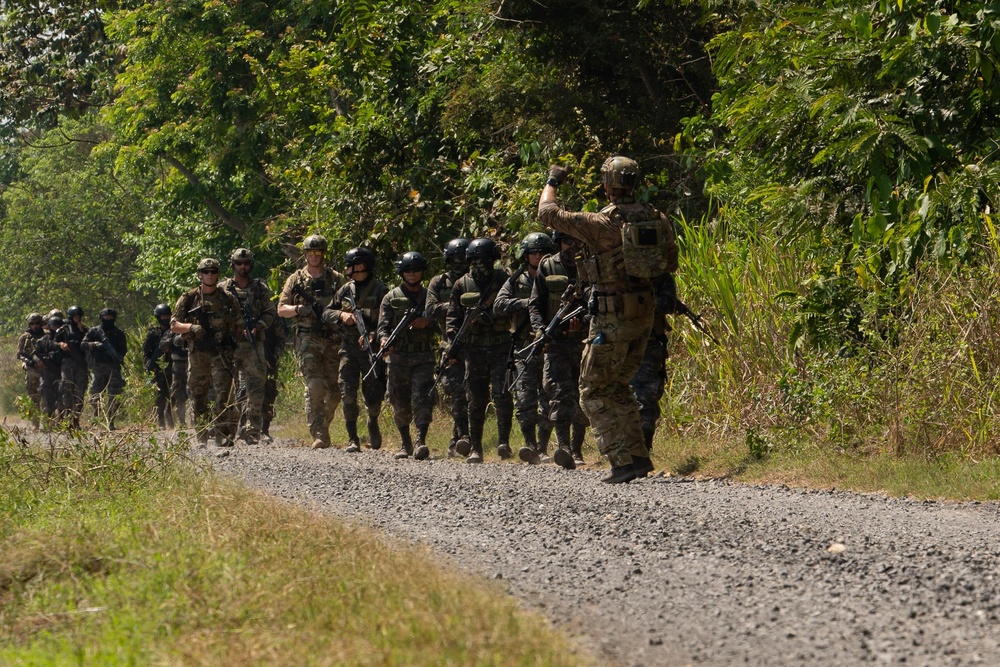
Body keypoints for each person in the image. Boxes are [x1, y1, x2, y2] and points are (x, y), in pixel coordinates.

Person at [538, 156, 678, 483]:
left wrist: (554, 179)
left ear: (605, 186)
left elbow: (547, 213)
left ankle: (620, 462)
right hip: (644, 315)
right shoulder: (657, 218)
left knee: (591, 391)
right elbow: (669, 262)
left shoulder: (600, 224)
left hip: (611, 316)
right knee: (618, 387)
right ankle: (639, 457)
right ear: (635, 183)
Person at [276, 234, 346, 449]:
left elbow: (349, 304)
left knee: (335, 390)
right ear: (305, 255)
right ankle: (318, 433)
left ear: (323, 254)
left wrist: (336, 315)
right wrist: (299, 309)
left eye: (318, 252)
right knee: (315, 385)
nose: (314, 256)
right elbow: (281, 309)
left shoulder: (336, 278)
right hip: (308, 338)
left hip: (333, 338)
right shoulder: (295, 280)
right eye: (310, 253)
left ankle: (323, 424)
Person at [529, 229, 591, 469]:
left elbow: (598, 303)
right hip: (555, 342)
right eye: (567, 241)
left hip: (584, 341)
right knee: (558, 393)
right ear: (559, 243)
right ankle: (563, 447)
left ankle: (577, 449)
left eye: (577, 240)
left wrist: (583, 321)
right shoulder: (548, 266)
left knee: (583, 394)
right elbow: (536, 305)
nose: (572, 246)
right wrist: (540, 331)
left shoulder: (590, 266)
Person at [447, 237, 513, 463]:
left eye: (486, 260)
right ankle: (476, 448)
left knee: (502, 394)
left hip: (501, 345)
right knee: (475, 397)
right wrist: (453, 345)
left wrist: (492, 315)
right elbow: (453, 319)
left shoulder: (503, 279)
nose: (481, 265)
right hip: (474, 349)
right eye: (476, 260)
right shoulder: (461, 285)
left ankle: (504, 443)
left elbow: (511, 307)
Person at [493, 232, 554, 465]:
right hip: (524, 347)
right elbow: (499, 305)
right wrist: (528, 303)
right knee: (525, 398)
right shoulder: (516, 280)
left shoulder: (555, 277)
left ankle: (544, 446)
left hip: (550, 346)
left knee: (549, 396)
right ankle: (529, 445)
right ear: (525, 256)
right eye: (533, 253)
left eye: (541, 252)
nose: (538, 256)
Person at [171, 258, 242, 449]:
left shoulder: (228, 297)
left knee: (223, 395)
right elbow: (174, 325)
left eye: (213, 271)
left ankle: (223, 435)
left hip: (221, 354)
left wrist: (231, 344)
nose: (210, 274)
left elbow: (238, 324)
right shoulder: (189, 298)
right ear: (199, 274)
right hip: (198, 354)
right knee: (199, 395)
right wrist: (192, 328)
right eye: (206, 271)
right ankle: (201, 436)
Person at [324, 247, 388, 452]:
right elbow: (326, 313)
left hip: (372, 350)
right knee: (347, 392)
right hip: (348, 349)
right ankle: (352, 438)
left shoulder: (380, 290)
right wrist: (341, 316)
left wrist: (373, 335)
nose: (350, 269)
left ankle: (373, 420)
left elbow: (389, 321)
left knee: (373, 394)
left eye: (354, 266)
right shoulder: (345, 290)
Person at [378, 251, 437, 460]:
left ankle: (421, 439)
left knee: (423, 397)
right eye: (408, 271)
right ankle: (405, 442)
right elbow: (383, 327)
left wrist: (427, 321)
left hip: (423, 357)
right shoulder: (391, 297)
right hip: (398, 359)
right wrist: (384, 341)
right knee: (398, 400)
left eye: (416, 270)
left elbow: (443, 320)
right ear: (402, 273)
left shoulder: (430, 296)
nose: (412, 274)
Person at [220, 248, 277, 445]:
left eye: (246, 263)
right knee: (227, 389)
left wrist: (259, 325)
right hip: (229, 345)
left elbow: (270, 311)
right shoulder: (223, 288)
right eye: (238, 263)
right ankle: (229, 429)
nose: (242, 267)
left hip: (253, 345)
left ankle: (253, 430)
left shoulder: (260, 288)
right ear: (232, 264)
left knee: (256, 388)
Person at [425, 238, 470, 457]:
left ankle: (459, 438)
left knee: (471, 392)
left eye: (464, 258)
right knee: (455, 389)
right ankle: (462, 436)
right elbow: (430, 309)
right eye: (455, 259)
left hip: (476, 343)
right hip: (449, 344)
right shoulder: (438, 282)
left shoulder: (477, 281)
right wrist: (457, 306)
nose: (460, 263)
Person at [631, 273, 678, 452]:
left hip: (648, 343)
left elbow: (668, 303)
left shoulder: (660, 276)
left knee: (646, 397)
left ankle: (643, 450)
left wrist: (639, 303)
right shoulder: (613, 272)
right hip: (616, 342)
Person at [84, 308, 128, 430]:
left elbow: (123, 350)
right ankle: (96, 417)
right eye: (106, 317)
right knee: (95, 394)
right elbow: (83, 344)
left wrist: (115, 355)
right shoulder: (94, 331)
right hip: (98, 367)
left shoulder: (119, 333)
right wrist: (94, 345)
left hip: (114, 367)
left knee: (115, 395)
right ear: (101, 317)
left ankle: (111, 421)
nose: (108, 320)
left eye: (111, 318)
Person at [55, 304, 88, 428]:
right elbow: (52, 343)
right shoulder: (63, 330)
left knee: (80, 391)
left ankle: (76, 419)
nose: (77, 319)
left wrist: (83, 331)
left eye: (79, 316)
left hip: (81, 364)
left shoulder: (85, 330)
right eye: (75, 316)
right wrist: (60, 344)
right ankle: (67, 418)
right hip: (68, 363)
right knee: (67, 390)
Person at [142, 304, 174, 429]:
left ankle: (171, 418)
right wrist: (151, 366)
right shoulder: (152, 334)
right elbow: (145, 353)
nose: (166, 318)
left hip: (173, 366)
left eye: (167, 316)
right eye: (163, 316)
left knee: (173, 395)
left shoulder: (174, 331)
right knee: (160, 396)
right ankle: (160, 420)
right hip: (158, 369)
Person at [33, 313, 65, 429]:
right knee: (47, 399)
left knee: (62, 399)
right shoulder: (43, 340)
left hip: (61, 372)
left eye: (58, 326)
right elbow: (35, 355)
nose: (55, 328)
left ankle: (63, 424)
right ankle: (46, 425)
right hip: (47, 373)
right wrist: (39, 361)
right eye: (53, 325)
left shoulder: (65, 340)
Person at [261, 316, 288, 442]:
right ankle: (244, 427)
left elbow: (280, 339)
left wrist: (275, 356)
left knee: (269, 392)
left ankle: (264, 429)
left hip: (270, 358)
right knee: (244, 393)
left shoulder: (271, 316)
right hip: (249, 357)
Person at [159, 315, 190, 428]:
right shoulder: (173, 331)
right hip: (178, 365)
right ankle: (178, 420)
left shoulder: (193, 327)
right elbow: (162, 345)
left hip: (194, 362)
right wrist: (175, 340)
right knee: (178, 391)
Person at [16, 312, 46, 427]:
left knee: (48, 396)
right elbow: (19, 354)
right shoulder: (25, 337)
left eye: (37, 323)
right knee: (33, 397)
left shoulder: (47, 335)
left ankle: (50, 421)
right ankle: (35, 423)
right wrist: (29, 361)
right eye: (32, 323)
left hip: (46, 370)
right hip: (32, 371)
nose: (34, 326)